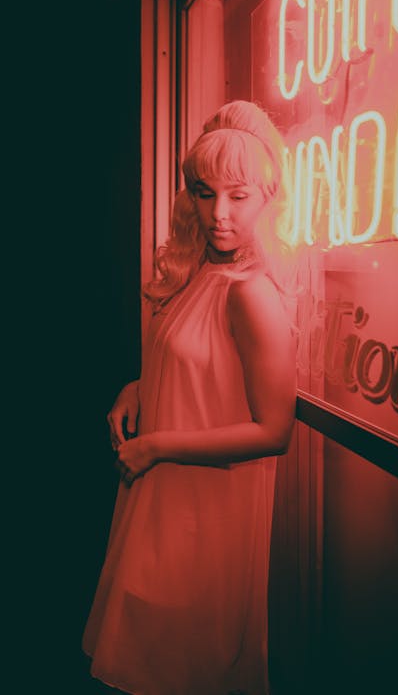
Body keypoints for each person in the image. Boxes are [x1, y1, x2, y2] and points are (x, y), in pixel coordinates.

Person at [82, 100, 298, 695]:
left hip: (205, 511)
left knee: (182, 666)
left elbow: (275, 430)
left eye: (238, 196)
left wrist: (156, 447)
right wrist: (138, 386)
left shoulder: (252, 293)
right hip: (162, 496)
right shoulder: (200, 272)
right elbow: (190, 360)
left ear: (267, 200)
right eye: (205, 194)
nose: (219, 215)